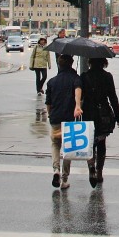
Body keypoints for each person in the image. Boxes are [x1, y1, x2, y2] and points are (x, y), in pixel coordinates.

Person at [81, 57, 119, 188]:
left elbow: (79, 96)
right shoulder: (107, 76)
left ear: (90, 62)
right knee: (101, 143)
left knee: (89, 142)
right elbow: (113, 98)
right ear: (104, 63)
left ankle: (91, 167)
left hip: (88, 112)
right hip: (103, 114)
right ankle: (99, 171)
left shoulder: (84, 76)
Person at [45, 54, 83, 190]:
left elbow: (48, 103)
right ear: (71, 64)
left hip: (55, 117)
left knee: (55, 144)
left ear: (59, 65)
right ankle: (64, 179)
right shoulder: (75, 78)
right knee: (68, 148)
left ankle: (56, 170)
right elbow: (78, 89)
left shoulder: (52, 81)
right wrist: (77, 105)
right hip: (69, 118)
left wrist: (50, 114)